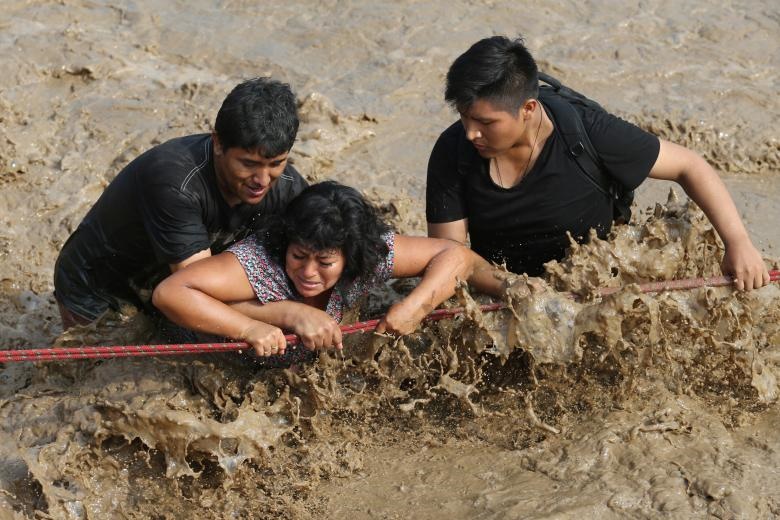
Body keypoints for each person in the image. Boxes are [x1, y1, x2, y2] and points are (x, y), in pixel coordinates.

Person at [426, 35, 770, 291]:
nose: (471, 133)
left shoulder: (590, 133)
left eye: (485, 123)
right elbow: (452, 256)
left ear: (528, 109)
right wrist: (515, 290)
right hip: (506, 287)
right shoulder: (452, 151)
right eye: (464, 117)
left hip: (595, 279)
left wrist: (738, 242)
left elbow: (689, 166)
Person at [54, 77, 308, 329]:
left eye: (275, 163)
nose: (262, 180)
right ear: (218, 143)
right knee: (99, 368)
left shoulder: (287, 186)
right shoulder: (174, 182)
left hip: (166, 278)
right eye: (248, 164)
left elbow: (325, 248)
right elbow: (197, 290)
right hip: (98, 286)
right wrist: (288, 314)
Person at [152, 181, 505, 358]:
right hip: (207, 350)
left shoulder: (369, 255)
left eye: (325, 263)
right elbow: (170, 293)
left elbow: (456, 254)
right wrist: (256, 324)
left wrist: (414, 307)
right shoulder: (259, 261)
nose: (308, 272)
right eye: (299, 255)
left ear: (351, 257)